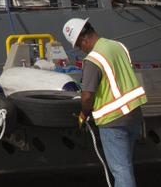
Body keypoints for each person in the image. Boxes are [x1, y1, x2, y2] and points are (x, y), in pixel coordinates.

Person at [63, 17, 147, 187]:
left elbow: (87, 96)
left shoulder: (93, 59)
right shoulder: (118, 46)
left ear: (82, 38)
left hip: (113, 120)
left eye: (79, 46)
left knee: (120, 169)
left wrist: (83, 115)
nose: (82, 50)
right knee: (126, 165)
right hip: (134, 114)